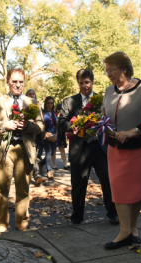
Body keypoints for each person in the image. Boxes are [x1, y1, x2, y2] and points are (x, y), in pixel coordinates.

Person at [101, 52, 141, 249]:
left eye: (112, 69)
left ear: (124, 68)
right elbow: (104, 115)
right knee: (118, 189)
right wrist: (95, 122)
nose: (109, 73)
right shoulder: (109, 91)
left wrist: (132, 132)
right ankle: (124, 232)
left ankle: (132, 228)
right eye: (107, 70)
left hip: (140, 148)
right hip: (115, 148)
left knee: (136, 191)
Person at [0, 69, 44, 233]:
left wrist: (27, 126)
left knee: (23, 190)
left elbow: (40, 126)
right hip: (4, 150)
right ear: (8, 82)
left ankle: (22, 223)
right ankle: (1, 225)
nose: (18, 85)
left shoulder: (33, 103)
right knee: (1, 191)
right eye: (14, 81)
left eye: (21, 82)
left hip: (24, 150)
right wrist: (4, 126)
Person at [58, 68, 118, 226]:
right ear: (77, 83)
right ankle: (77, 218)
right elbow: (61, 122)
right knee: (78, 185)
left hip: (100, 148)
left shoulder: (102, 99)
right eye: (81, 83)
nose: (85, 86)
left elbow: (110, 119)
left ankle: (113, 213)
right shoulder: (70, 101)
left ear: (92, 82)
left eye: (87, 82)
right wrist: (73, 126)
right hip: (80, 149)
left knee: (107, 181)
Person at [25, 89, 44, 187]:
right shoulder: (23, 105)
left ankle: (36, 175)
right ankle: (36, 175)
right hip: (26, 134)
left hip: (36, 134)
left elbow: (41, 122)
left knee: (33, 155)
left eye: (33, 93)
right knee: (30, 156)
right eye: (29, 94)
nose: (32, 95)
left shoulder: (38, 106)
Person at [39, 97, 57, 179]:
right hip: (46, 136)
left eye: (51, 103)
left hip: (53, 136)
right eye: (48, 103)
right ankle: (49, 171)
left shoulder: (54, 113)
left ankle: (41, 163)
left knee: (52, 153)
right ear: (45, 103)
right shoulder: (42, 113)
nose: (50, 105)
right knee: (49, 153)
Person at [55, 104, 70, 170]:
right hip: (55, 134)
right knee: (54, 150)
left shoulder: (63, 115)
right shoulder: (54, 115)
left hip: (61, 134)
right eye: (59, 109)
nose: (60, 111)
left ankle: (65, 165)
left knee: (62, 149)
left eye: (61, 109)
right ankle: (54, 165)